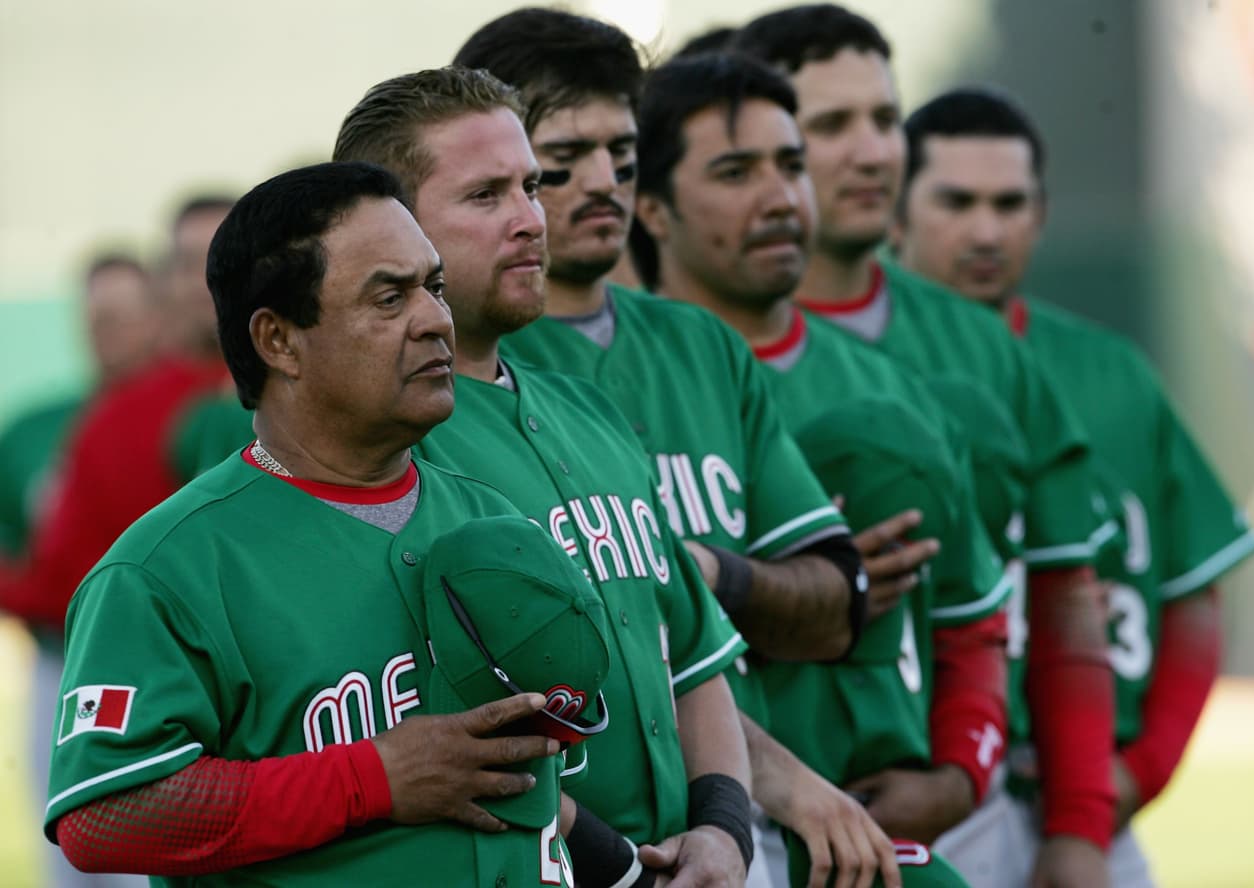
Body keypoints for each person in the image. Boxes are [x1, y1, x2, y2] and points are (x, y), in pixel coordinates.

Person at [44, 160, 584, 885]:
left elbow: (533, 782)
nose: (434, 320)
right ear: (278, 341)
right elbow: (104, 813)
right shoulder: (165, 568)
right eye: (388, 297)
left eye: (434, 287)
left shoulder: (491, 511)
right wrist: (369, 779)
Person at [454, 12, 900, 886]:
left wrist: (704, 572)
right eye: (562, 160)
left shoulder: (700, 346)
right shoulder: (457, 377)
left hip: (720, 821)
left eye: (621, 154)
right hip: (556, 838)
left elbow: (838, 600)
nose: (601, 182)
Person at [334, 66, 755, 887]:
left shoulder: (589, 412)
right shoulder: (378, 449)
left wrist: (725, 834)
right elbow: (447, 735)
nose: (531, 219)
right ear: (393, 229)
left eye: (533, 186)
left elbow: (696, 661)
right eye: (486, 196)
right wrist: (625, 866)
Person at [733, 10, 1120, 886]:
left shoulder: (983, 348)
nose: (873, 152)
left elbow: (1056, 602)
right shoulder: (678, 359)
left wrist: (1047, 810)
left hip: (959, 812)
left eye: (884, 118)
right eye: (830, 125)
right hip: (730, 819)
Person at [631, 50, 1017, 887]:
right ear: (651, 209)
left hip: (883, 833)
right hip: (705, 834)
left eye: (792, 165)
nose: (779, 197)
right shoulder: (596, 393)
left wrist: (958, 778)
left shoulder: (890, 390)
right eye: (737, 172)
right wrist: (796, 592)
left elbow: (977, 616)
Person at [894, 86, 1254, 887]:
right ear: (896, 211)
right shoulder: (851, 365)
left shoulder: (1114, 374)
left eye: (1010, 203)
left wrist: (1134, 777)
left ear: (1041, 213)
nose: (987, 229)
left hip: (1088, 803)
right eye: (956, 201)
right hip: (926, 801)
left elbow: (1193, 592)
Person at [0, 199, 235, 632]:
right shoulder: (113, 421)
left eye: (225, 255)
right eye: (188, 263)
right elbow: (65, 576)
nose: (208, 279)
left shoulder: (306, 391)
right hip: (157, 659)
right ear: (163, 283)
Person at [0, 251, 160, 888]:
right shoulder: (37, 427)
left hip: (153, 666)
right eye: (95, 315)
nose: (108, 329)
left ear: (154, 316)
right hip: (58, 659)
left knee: (139, 857)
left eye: (123, 314)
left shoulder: (181, 412)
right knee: (65, 853)